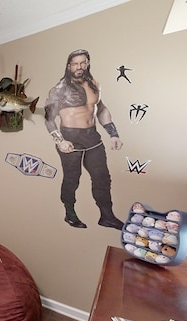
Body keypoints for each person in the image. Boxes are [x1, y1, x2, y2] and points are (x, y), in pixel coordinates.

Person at [44, 49, 125, 230]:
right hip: (70, 138)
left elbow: (101, 109)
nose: (79, 67)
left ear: (87, 63)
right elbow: (49, 118)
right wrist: (60, 141)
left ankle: (107, 216)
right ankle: (70, 214)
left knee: (102, 177)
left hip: (92, 136)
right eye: (75, 63)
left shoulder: (95, 84)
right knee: (72, 178)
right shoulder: (59, 89)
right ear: (69, 66)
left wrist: (113, 133)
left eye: (83, 62)